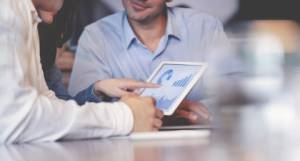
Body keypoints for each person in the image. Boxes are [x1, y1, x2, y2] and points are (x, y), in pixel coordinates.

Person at [0, 0, 163, 144]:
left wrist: (97, 89)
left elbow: (48, 102)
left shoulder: (27, 15)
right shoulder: (9, 8)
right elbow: (17, 118)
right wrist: (127, 116)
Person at [69, 0, 227, 125]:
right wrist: (100, 90)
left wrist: (200, 108)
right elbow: (79, 108)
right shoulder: (95, 36)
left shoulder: (205, 28)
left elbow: (234, 93)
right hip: (125, 149)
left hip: (197, 146)